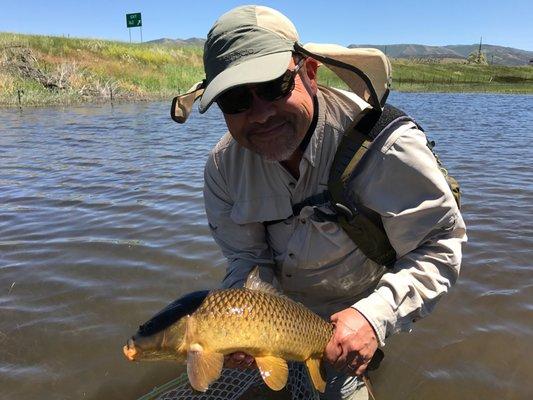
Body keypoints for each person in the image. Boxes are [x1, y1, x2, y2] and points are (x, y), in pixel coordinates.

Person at [171, 5, 466, 399]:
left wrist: (372, 319)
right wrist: (243, 321)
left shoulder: (388, 148)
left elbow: (440, 246)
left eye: (274, 86)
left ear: (309, 72)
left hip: (356, 310)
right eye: (235, 99)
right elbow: (245, 260)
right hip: (275, 312)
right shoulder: (223, 169)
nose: (260, 114)